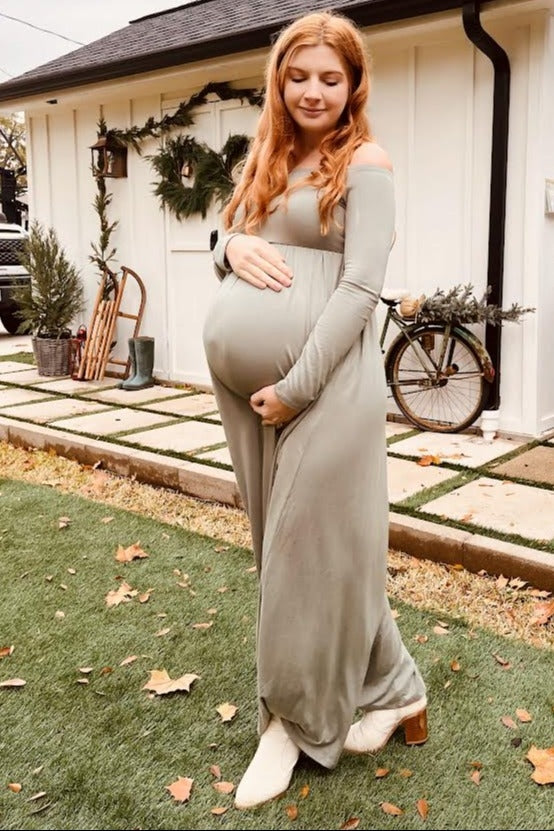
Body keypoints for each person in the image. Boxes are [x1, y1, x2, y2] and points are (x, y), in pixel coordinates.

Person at [203, 10, 427, 810]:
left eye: (330, 78)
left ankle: (289, 723)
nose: (312, 91)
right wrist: (226, 247)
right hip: (249, 390)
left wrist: (296, 385)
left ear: (353, 85)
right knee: (295, 547)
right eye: (298, 76)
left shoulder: (366, 163)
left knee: (305, 550)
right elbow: (227, 234)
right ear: (279, 81)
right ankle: (398, 689)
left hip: (327, 383)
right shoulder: (267, 154)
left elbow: (362, 287)